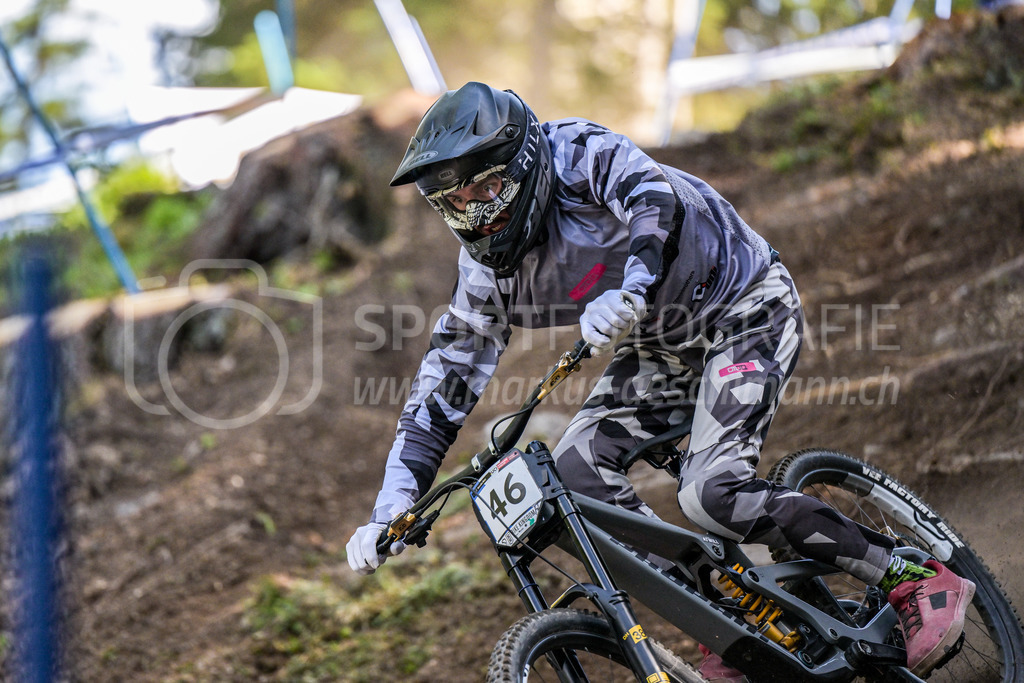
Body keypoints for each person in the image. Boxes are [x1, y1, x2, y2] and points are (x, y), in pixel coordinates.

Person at [346, 81, 974, 679]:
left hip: (743, 308)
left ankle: (910, 575)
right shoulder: (486, 277)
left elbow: (655, 198)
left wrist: (633, 285)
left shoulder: (577, 152)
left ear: (523, 163)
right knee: (574, 477)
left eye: (484, 190)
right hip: (663, 347)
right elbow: (443, 384)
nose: (475, 217)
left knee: (711, 493)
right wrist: (393, 506)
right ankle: (732, 620)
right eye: (453, 204)